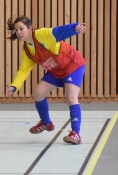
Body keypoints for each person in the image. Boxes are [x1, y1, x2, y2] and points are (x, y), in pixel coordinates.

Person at [6, 16, 86, 145]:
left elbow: (58, 31)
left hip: (72, 65)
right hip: (56, 71)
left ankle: (76, 134)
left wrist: (74, 27)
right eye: (16, 30)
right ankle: (46, 123)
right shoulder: (26, 49)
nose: (18, 32)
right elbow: (24, 69)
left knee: (71, 97)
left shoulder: (41, 34)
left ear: (30, 29)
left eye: (21, 29)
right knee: (38, 93)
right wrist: (14, 86)